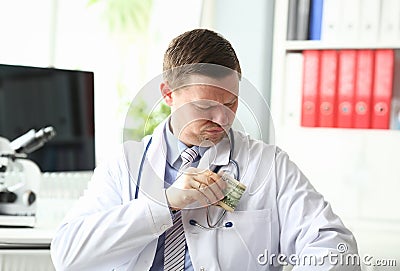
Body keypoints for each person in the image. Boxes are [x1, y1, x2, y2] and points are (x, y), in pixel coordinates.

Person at [51, 29, 360, 271]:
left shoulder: (269, 165)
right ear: (168, 94)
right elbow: (68, 255)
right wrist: (165, 204)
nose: (223, 118)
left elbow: (335, 245)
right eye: (205, 106)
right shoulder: (124, 165)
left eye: (231, 103)